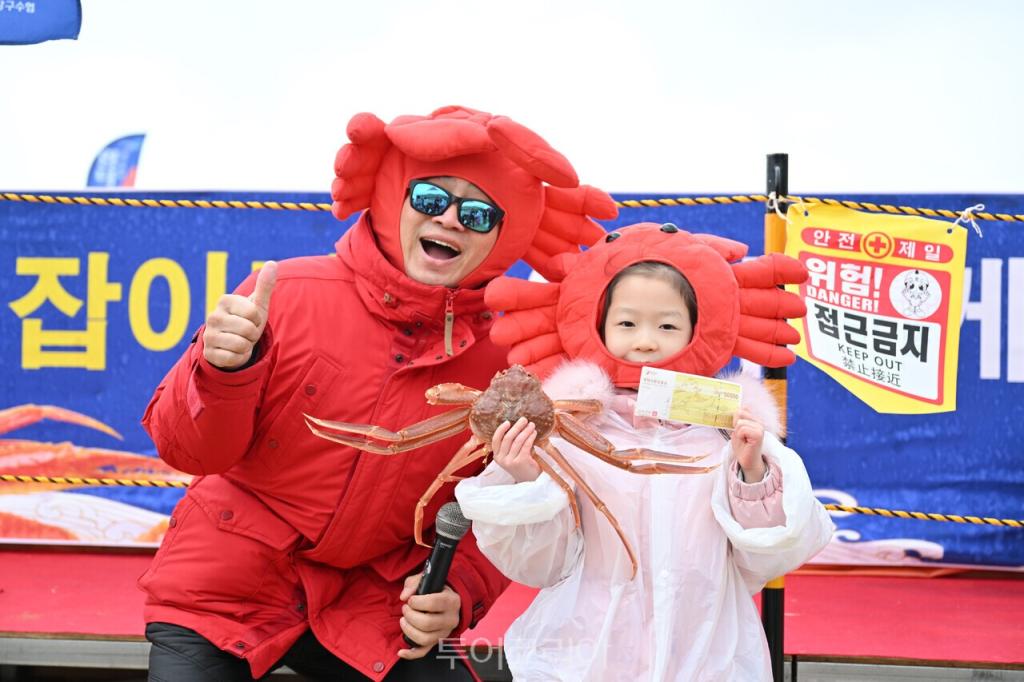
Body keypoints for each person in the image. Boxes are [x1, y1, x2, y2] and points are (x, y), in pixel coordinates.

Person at [138, 105, 615, 681]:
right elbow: (190, 454)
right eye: (432, 200)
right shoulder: (286, 292)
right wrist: (220, 370)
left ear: (508, 231)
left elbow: (510, 502)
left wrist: (461, 592)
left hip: (378, 604)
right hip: (227, 585)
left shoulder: (517, 353)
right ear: (394, 198)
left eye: (480, 213)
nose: (453, 221)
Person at [456, 223, 835, 681]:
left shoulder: (725, 434)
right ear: (600, 326)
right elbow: (545, 562)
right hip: (587, 653)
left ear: (699, 329)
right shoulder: (571, 431)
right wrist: (523, 479)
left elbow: (766, 557)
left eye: (668, 325)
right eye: (627, 323)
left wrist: (751, 471)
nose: (646, 340)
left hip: (705, 654)